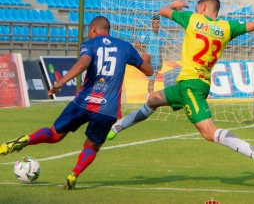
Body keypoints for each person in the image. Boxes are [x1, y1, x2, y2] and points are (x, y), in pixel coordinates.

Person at [107, 0, 254, 181]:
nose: (196, 10)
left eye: (198, 8)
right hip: (198, 84)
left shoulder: (193, 19)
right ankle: (118, 126)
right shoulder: (227, 27)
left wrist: (174, 4)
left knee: (208, 132)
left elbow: (163, 11)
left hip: (190, 85)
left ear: (204, 8)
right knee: (153, 99)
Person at [0, 16, 153, 190]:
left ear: (94, 29)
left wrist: (61, 82)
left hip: (83, 101)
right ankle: (74, 174)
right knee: (92, 145)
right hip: (107, 108)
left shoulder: (90, 44)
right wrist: (146, 59)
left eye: (89, 30)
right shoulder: (125, 46)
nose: (88, 33)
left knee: (55, 134)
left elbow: (83, 63)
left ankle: (26, 139)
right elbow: (149, 70)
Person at [135, 15, 167, 93]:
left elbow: (159, 49)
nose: (156, 25)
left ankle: (150, 98)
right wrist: (146, 54)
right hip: (151, 61)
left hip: (158, 61)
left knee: (153, 81)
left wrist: (161, 60)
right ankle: (150, 99)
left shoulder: (161, 36)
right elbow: (137, 43)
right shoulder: (148, 34)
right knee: (151, 81)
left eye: (158, 23)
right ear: (152, 24)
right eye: (154, 23)